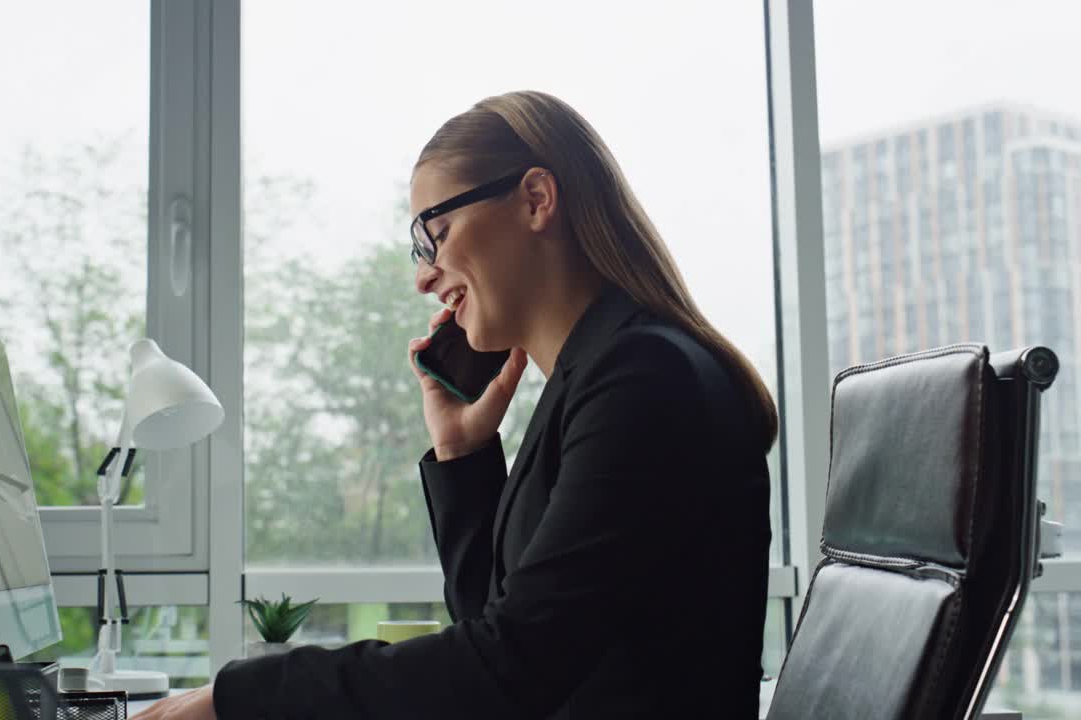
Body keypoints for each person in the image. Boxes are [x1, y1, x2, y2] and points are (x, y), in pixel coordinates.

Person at [132, 90, 776, 719]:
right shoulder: (596, 380)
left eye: (433, 234)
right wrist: (464, 457)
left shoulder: (642, 380)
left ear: (536, 199)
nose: (423, 275)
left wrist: (244, 698)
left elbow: (510, 672)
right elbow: (503, 650)